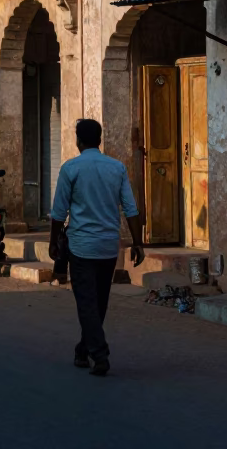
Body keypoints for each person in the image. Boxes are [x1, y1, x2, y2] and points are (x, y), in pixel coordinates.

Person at [49, 118, 144, 378]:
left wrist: (53, 243)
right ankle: (83, 350)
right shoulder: (117, 168)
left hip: (81, 247)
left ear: (78, 140)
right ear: (99, 140)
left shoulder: (71, 168)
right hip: (107, 247)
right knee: (98, 303)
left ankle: (99, 354)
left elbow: (58, 213)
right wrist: (138, 242)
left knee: (87, 303)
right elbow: (131, 209)